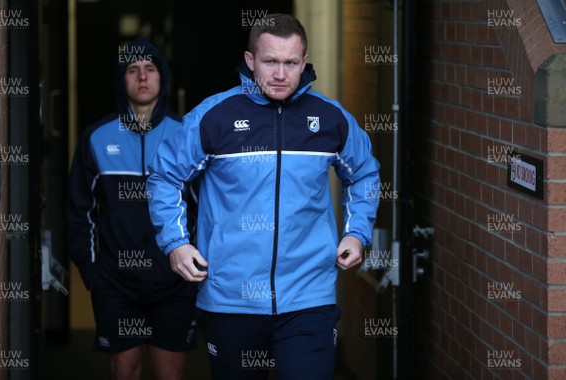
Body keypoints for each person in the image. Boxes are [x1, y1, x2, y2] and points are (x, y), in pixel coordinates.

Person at [147, 14, 380, 380]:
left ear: (304, 62)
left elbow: (364, 172)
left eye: (291, 63)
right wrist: (175, 243)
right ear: (251, 59)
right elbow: (164, 176)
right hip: (231, 298)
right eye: (270, 61)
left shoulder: (330, 118)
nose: (281, 74)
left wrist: (357, 232)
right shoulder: (213, 117)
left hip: (309, 297)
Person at [66, 37, 197, 380]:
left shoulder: (185, 135)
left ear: (162, 77)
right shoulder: (97, 138)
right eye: (132, 70)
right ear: (121, 79)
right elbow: (79, 210)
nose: (142, 77)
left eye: (150, 69)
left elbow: (206, 208)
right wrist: (92, 270)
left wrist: (198, 264)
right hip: (116, 283)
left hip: (174, 282)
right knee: (125, 371)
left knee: (169, 375)